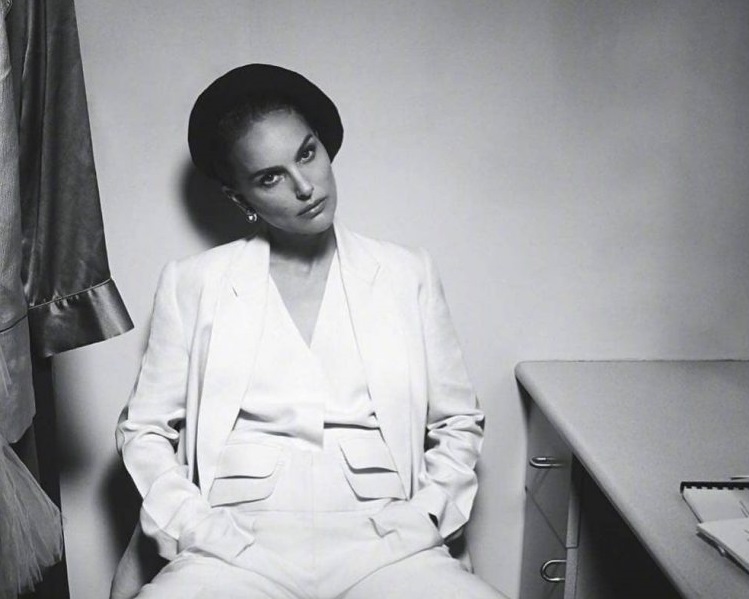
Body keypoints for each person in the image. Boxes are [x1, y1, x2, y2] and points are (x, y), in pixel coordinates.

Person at [113, 64, 506, 599]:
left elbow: (458, 420)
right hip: (235, 542)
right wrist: (194, 526)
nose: (305, 186)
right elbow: (144, 430)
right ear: (240, 199)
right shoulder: (194, 282)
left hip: (385, 537)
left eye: (306, 153)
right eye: (269, 177)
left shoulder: (406, 272)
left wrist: (426, 515)